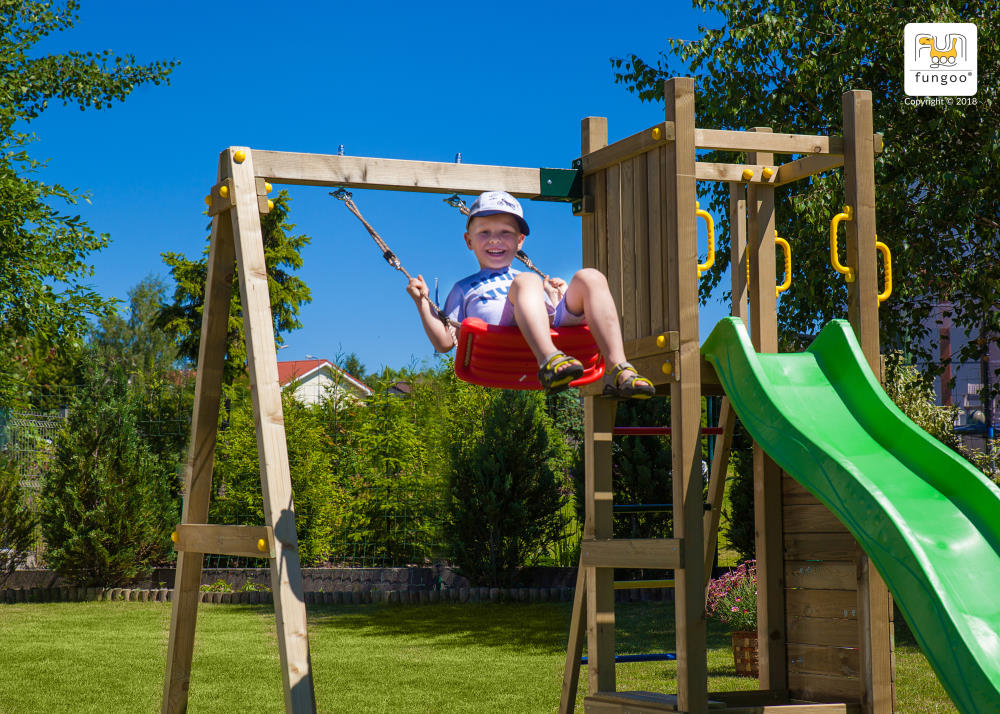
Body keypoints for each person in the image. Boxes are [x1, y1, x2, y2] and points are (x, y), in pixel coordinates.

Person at [406, 190, 655, 398]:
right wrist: (422, 303)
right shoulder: (465, 287)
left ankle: (620, 368)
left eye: (506, 232)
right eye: (485, 233)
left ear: (520, 241)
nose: (495, 240)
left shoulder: (530, 282)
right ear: (468, 241)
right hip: (498, 347)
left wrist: (558, 297)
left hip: (551, 332)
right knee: (527, 280)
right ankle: (549, 359)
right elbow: (445, 342)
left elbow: (552, 316)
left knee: (590, 277)